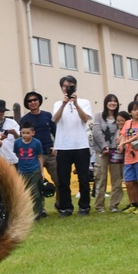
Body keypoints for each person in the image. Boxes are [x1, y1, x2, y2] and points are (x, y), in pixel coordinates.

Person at [51, 75, 92, 217]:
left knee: (84, 178)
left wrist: (75, 104)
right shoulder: (57, 104)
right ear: (61, 88)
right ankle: (66, 207)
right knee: (63, 180)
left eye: (70, 85)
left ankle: (84, 207)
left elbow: (85, 118)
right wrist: (64, 104)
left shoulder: (84, 102)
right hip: (63, 146)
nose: (67, 88)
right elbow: (55, 119)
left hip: (81, 145)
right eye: (64, 86)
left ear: (75, 86)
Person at [20, 91, 58, 194]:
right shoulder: (24, 119)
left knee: (58, 180)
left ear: (39, 101)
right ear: (27, 104)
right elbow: (22, 138)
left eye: (35, 100)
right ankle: (40, 209)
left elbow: (56, 132)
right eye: (30, 101)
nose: (33, 102)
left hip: (50, 154)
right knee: (36, 183)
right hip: (34, 156)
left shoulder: (47, 115)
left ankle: (61, 205)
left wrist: (56, 147)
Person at [91, 95, 123, 213]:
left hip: (115, 152)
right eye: (110, 101)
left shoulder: (119, 117)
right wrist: (105, 146)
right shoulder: (99, 115)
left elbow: (120, 131)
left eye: (115, 101)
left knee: (117, 178)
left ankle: (114, 205)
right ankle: (99, 207)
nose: (112, 103)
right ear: (105, 103)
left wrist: (113, 147)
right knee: (100, 177)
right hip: (101, 151)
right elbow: (96, 131)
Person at [118, 100, 138, 211]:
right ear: (130, 112)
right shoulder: (128, 123)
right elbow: (123, 134)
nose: (137, 112)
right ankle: (133, 204)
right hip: (128, 156)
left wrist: (124, 143)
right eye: (134, 110)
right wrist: (121, 144)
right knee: (129, 182)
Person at [14, 121, 46, 220]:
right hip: (22, 171)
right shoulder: (17, 142)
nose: (25, 135)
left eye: (28, 133)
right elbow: (17, 154)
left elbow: (40, 157)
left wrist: (42, 171)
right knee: (23, 193)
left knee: (36, 193)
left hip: (34, 170)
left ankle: (38, 213)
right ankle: (24, 214)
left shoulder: (37, 143)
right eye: (23, 133)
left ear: (33, 133)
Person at [0, 99, 20, 164]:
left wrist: (14, 133)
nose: (0, 113)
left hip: (11, 158)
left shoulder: (12, 122)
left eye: (2, 111)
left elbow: (20, 139)